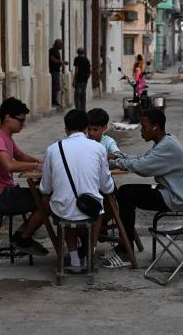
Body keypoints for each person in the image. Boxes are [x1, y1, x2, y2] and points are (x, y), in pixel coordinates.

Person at [103, 108, 183, 268]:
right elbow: (144, 158)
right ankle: (124, 244)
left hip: (176, 198)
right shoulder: (165, 142)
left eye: (144, 127)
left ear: (155, 127)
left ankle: (126, 250)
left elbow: (142, 167)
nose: (141, 131)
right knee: (125, 192)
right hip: (170, 192)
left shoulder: (167, 147)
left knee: (126, 194)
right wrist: (121, 157)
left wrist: (114, 162)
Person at [39, 109, 115, 272]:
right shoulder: (98, 148)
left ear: (66, 129)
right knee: (98, 210)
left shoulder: (53, 149)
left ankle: (74, 259)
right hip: (90, 211)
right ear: (86, 128)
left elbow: (45, 188)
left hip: (62, 211)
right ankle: (89, 254)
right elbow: (107, 187)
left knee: (66, 210)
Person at [0, 97, 48, 256]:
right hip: (0, 197)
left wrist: (43, 162)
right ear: (8, 118)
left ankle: (24, 234)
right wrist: (36, 166)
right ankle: (23, 237)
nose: (23, 125)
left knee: (45, 195)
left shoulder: (6, 137)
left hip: (7, 192)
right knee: (48, 201)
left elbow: (20, 155)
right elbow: (9, 165)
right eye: (21, 120)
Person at [49, 39, 68, 107]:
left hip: (56, 70)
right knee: (55, 86)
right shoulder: (53, 50)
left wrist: (62, 62)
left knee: (56, 86)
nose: (62, 46)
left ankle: (55, 100)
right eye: (61, 45)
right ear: (57, 44)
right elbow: (52, 59)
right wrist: (61, 62)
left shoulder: (56, 51)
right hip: (54, 71)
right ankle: (54, 101)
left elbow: (57, 60)